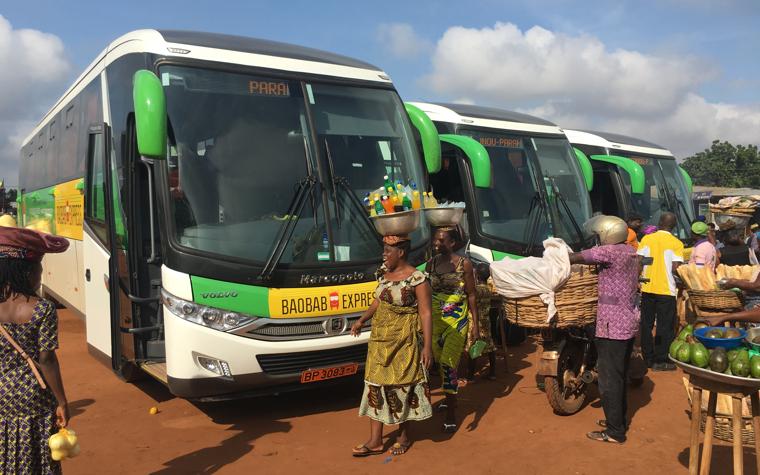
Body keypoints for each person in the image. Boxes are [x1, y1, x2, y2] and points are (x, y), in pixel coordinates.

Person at [350, 235, 432, 457]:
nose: (384, 254)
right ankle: (375, 440)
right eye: (384, 250)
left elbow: (425, 312)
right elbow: (378, 300)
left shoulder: (418, 279)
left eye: (387, 251)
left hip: (404, 340)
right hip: (379, 340)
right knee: (375, 385)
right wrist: (361, 320)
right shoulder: (383, 274)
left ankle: (403, 436)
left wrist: (427, 347)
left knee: (402, 386)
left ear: (401, 252)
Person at [0, 226, 70, 474]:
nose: (41, 274)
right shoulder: (43, 309)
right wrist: (62, 401)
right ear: (26, 271)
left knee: (7, 449)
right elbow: (47, 360)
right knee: (40, 454)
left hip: (2, 395)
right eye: (38, 269)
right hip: (35, 396)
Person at [569, 215, 640, 444]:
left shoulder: (609, 252)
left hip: (611, 326)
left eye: (599, 235)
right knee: (618, 375)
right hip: (627, 322)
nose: (598, 240)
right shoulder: (629, 251)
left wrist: (554, 254)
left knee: (609, 380)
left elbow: (577, 257)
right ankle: (618, 420)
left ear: (608, 235)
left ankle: (614, 432)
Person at [426, 227, 479, 433]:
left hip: (457, 323)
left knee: (449, 365)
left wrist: (476, 325)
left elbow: (472, 294)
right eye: (435, 240)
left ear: (453, 243)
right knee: (439, 364)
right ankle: (450, 399)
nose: (437, 244)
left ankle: (451, 415)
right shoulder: (430, 264)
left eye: (442, 240)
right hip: (436, 323)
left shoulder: (463, 264)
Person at [637, 212, 684, 371]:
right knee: (665, 326)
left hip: (647, 287)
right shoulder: (676, 243)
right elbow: (675, 268)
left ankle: (647, 357)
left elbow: (640, 261)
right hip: (666, 289)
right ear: (673, 225)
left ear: (659, 222)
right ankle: (661, 359)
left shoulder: (647, 239)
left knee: (646, 324)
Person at [465, 263, 497, 382]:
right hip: (485, 321)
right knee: (489, 346)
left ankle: (470, 376)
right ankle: (493, 373)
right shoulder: (488, 289)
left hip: (474, 322)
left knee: (473, 348)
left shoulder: (475, 290)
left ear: (476, 275)